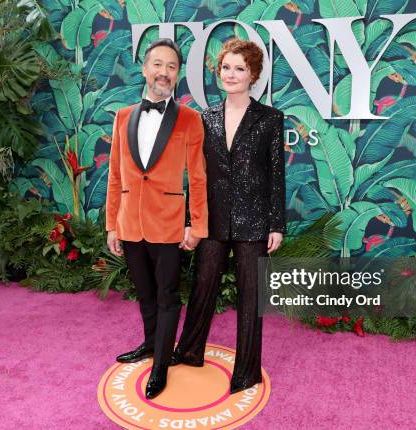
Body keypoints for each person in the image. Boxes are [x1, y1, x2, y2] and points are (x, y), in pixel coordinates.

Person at [171, 38, 286, 394]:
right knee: (203, 286)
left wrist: (276, 224)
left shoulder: (270, 118)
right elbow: (198, 174)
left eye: (239, 68)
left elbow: (276, 174)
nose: (231, 74)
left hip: (254, 222)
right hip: (213, 218)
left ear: (253, 75)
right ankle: (189, 350)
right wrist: (192, 220)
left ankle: (247, 371)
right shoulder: (205, 118)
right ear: (218, 72)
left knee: (251, 297)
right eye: (226, 67)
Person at [105, 39, 208, 399]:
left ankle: (161, 364)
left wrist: (197, 225)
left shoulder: (191, 119)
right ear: (144, 69)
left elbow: (197, 177)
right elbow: (115, 177)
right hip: (130, 224)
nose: (164, 72)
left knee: (166, 297)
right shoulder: (122, 117)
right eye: (158, 64)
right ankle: (151, 344)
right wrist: (111, 224)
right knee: (145, 295)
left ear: (177, 75)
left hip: (168, 225)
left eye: (172, 67)